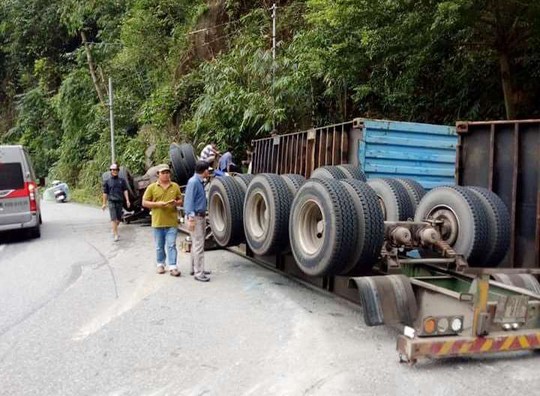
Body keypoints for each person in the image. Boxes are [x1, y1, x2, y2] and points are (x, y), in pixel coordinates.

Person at [142, 164, 183, 277]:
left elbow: (180, 200)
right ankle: (160, 264)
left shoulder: (175, 186)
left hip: (171, 222)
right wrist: (157, 204)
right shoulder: (152, 187)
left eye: (167, 172)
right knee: (159, 246)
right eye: (163, 173)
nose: (166, 175)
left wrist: (176, 203)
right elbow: (144, 202)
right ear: (158, 175)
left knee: (171, 245)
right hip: (158, 222)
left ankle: (173, 266)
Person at [184, 160, 211, 282]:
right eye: (208, 170)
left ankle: (194, 268)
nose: (209, 172)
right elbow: (188, 201)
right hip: (196, 217)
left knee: (196, 243)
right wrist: (191, 218)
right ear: (204, 171)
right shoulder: (194, 182)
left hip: (199, 216)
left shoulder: (198, 181)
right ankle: (199, 273)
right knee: (199, 244)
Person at [102, 163, 130, 242]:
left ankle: (114, 229)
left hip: (120, 201)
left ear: (118, 171)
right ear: (110, 171)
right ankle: (116, 234)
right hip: (111, 201)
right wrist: (104, 203)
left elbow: (125, 190)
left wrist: (127, 200)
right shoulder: (107, 182)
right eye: (113, 170)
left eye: (116, 170)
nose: (114, 171)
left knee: (118, 219)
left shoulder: (122, 181)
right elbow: (105, 193)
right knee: (114, 219)